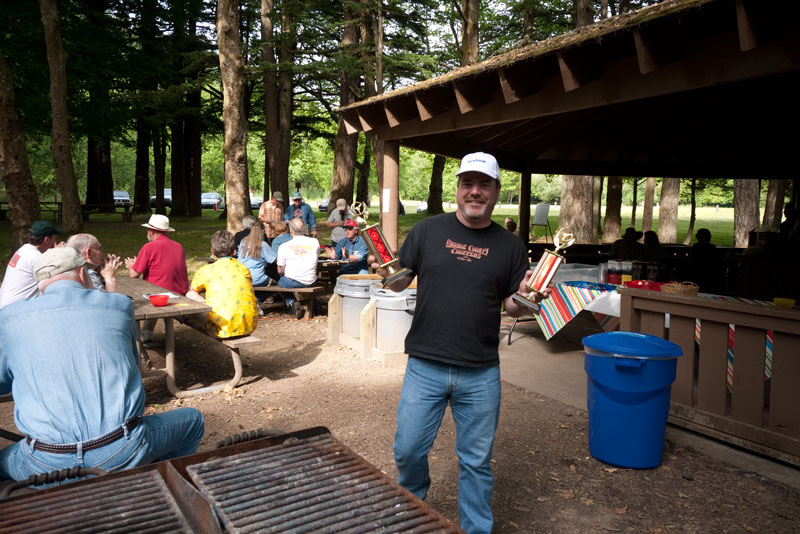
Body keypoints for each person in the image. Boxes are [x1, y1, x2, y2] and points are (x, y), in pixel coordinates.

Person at [373, 152, 546, 534]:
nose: (475, 192)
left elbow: (513, 307)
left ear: (497, 191)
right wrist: (386, 274)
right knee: (408, 450)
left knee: (476, 460)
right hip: (425, 365)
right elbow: (400, 280)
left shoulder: (511, 246)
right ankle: (411, 512)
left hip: (480, 371)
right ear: (458, 189)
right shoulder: (427, 231)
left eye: (484, 184)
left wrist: (530, 296)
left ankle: (475, 529)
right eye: (468, 183)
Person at [0, 247, 204, 484]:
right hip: (122, 450)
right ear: (81, 273)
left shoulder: (9, 317)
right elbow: (132, 366)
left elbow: (3, 383)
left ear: (39, 283)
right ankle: (157, 486)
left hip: (44, 462)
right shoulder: (118, 305)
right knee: (192, 420)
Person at [125, 214, 189, 346]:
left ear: (151, 231)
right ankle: (150, 331)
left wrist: (132, 265)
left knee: (142, 296)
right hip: (179, 292)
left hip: (158, 296)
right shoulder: (179, 246)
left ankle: (145, 334)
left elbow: (133, 275)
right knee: (156, 290)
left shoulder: (149, 247)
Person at [187, 231, 259, 339]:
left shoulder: (207, 270)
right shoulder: (243, 268)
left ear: (212, 252)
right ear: (234, 251)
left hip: (220, 329)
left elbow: (193, 290)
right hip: (249, 326)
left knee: (190, 295)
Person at [0, 220, 62, 309]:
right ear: (47, 240)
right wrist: (60, 253)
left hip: (5, 306)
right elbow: (57, 281)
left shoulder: (23, 250)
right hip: (16, 310)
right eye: (55, 239)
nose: (56, 241)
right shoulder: (37, 258)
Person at [276, 219, 320, 319]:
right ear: (304, 230)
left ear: (291, 230)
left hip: (293, 281)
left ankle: (291, 302)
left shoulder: (283, 246)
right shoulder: (315, 242)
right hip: (311, 281)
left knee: (280, 282)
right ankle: (315, 305)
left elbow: (280, 271)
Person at [238, 221, 279, 287]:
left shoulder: (243, 241)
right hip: (257, 278)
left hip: (243, 277)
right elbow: (275, 259)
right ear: (263, 231)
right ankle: (270, 297)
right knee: (278, 282)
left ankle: (265, 297)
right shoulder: (262, 244)